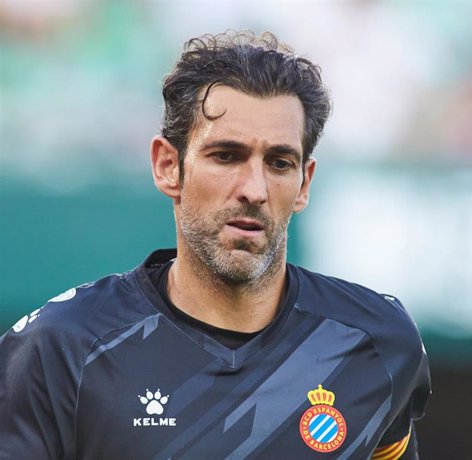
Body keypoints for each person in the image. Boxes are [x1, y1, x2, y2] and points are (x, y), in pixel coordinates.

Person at [0, 30, 430, 459]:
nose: (254, 189)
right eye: (226, 156)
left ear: (304, 184)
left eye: (280, 163)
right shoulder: (62, 347)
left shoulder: (377, 341)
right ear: (168, 166)